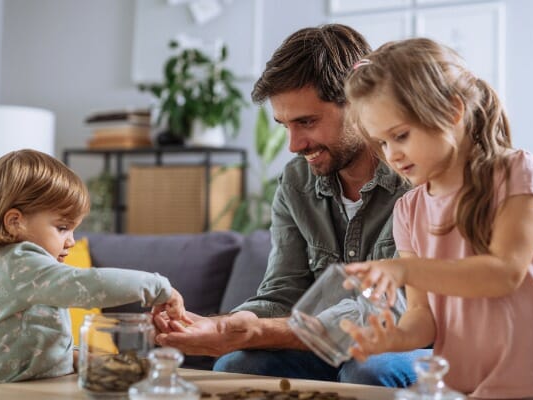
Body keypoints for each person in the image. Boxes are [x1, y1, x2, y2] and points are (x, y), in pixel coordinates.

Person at [153, 24, 430, 387]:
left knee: (367, 370)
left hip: (412, 341)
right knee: (238, 366)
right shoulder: (296, 182)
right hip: (325, 347)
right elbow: (282, 292)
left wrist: (250, 332)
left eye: (307, 122)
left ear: (361, 103)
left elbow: (392, 312)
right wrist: (222, 325)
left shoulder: (417, 179)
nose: (295, 144)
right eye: (284, 125)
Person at [340, 38, 533, 399]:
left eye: (401, 136)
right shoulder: (408, 210)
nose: (392, 155)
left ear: (452, 110)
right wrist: (395, 338)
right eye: (382, 144)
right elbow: (422, 316)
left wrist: (404, 270)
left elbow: (503, 273)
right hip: (464, 388)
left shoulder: (515, 172)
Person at [0, 149, 191, 386]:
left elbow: (34, 336)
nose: (71, 241)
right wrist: (158, 287)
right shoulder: (19, 262)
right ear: (16, 222)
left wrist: (76, 358)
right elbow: (88, 284)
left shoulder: (25, 269)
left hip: (36, 386)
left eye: (73, 229)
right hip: (4, 392)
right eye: (62, 228)